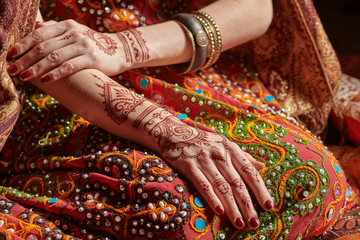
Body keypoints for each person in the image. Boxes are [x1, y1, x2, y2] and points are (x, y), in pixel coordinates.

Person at [0, 0, 357, 239]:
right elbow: (27, 45)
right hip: (68, 90)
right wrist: (164, 128)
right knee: (168, 211)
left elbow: (256, 6)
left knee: (306, 174)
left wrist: (124, 47)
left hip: (182, 59)